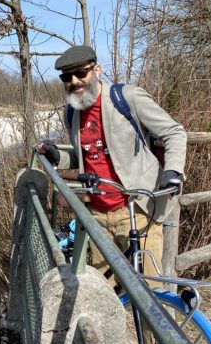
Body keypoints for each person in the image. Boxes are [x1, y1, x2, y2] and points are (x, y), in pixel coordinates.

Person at [37, 44, 187, 284]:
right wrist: (58, 157)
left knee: (150, 291)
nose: (74, 81)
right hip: (97, 216)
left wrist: (172, 171)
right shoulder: (72, 113)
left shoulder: (127, 97)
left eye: (81, 73)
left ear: (97, 69)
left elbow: (174, 132)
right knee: (104, 291)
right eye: (67, 77)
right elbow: (84, 158)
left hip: (137, 209)